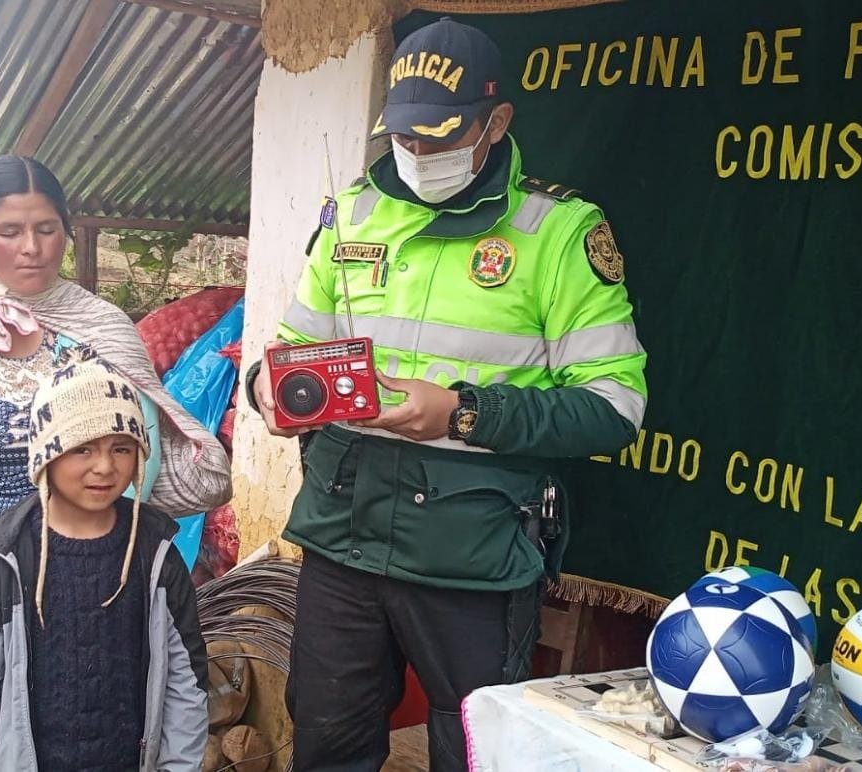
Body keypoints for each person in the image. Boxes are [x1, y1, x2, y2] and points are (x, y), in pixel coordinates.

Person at [248, 17, 648, 771]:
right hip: (343, 532)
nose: (418, 153)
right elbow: (290, 350)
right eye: (405, 135)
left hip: (474, 549)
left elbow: (614, 408)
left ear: (496, 122)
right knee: (326, 739)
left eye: (439, 134)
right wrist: (268, 385)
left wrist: (463, 411)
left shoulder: (558, 230)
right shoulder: (355, 212)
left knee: (473, 752)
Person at [0, 155, 229, 770]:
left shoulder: (101, 330)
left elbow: (137, 449)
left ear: (66, 231)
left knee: (80, 729)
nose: (32, 248)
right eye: (8, 231)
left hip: (84, 573)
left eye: (46, 229)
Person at [0, 359, 209, 770]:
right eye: (83, 447)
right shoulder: (6, 557)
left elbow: (186, 680)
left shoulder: (154, 553)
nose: (105, 466)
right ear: (47, 454)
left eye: (121, 448)